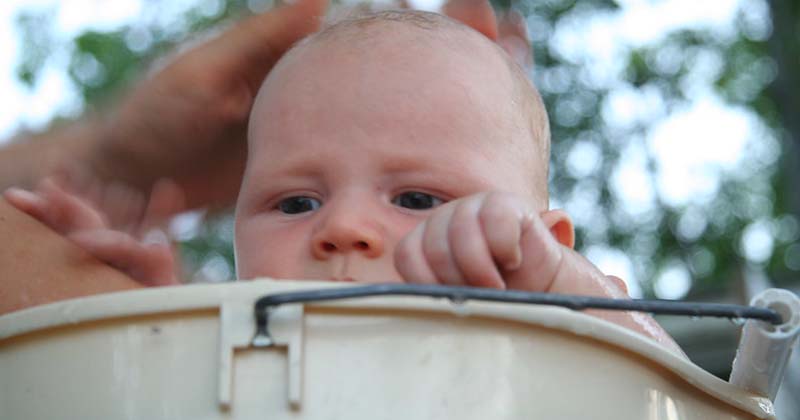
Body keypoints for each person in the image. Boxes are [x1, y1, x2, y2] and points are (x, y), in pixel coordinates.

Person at [4, 10, 683, 355]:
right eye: (295, 203)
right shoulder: (235, 361)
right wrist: (132, 330)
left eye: (418, 200)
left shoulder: (565, 345)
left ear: (551, 240)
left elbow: (674, 395)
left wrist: (570, 294)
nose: (341, 229)